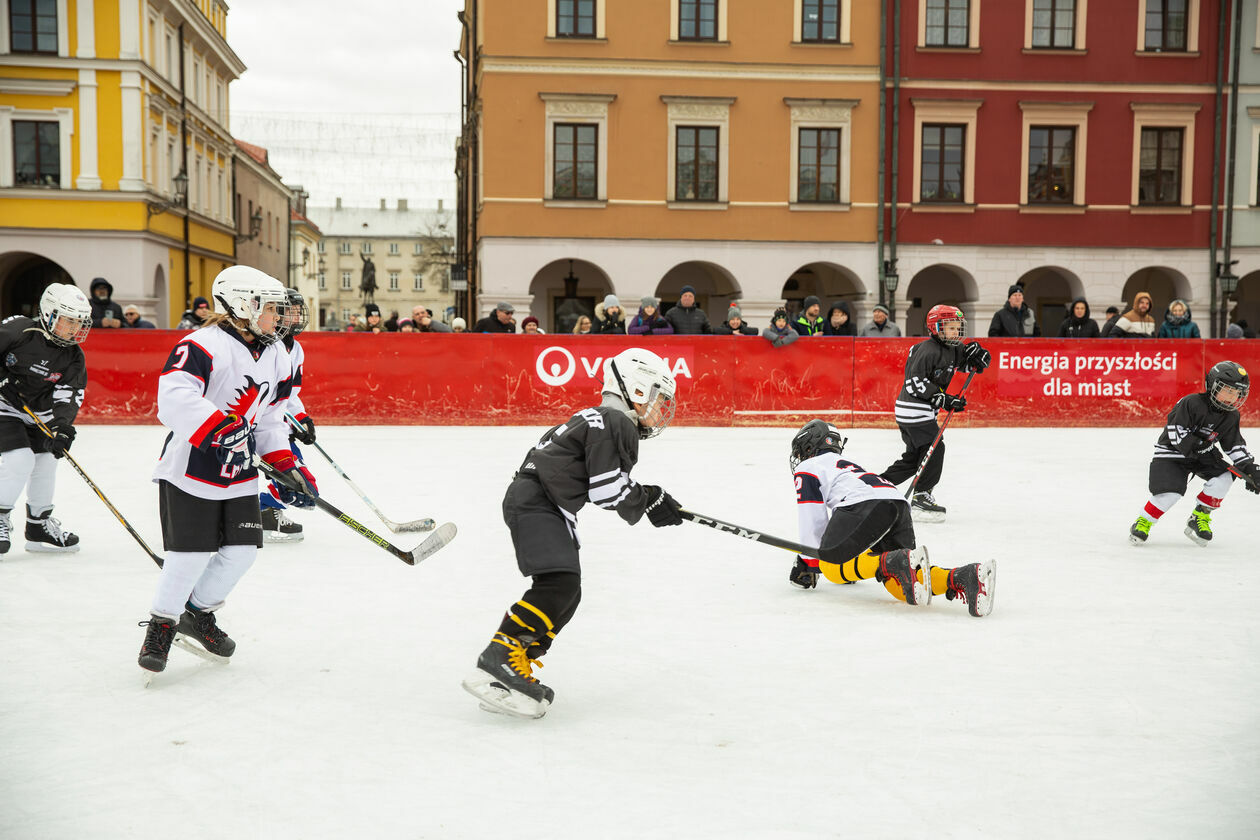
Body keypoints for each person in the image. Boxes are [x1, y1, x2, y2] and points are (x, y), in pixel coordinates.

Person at [460, 348, 684, 719]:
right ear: (638, 389)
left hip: (538, 500)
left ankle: (514, 664)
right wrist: (648, 499)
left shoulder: (593, 417)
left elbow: (594, 481)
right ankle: (498, 658)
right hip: (538, 502)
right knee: (559, 585)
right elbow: (607, 488)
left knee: (568, 590)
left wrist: (647, 498)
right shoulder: (617, 420)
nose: (659, 409)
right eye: (658, 398)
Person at [138, 266, 318, 674]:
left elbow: (271, 418)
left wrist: (286, 464)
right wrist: (220, 428)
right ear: (243, 304)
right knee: (190, 554)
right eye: (271, 308)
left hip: (240, 471)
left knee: (241, 552)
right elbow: (174, 398)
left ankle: (196, 613)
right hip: (191, 466)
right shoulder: (201, 344)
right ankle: (162, 624)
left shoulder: (276, 353)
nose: (279, 317)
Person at [787, 420, 995, 617]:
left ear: (808, 446)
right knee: (902, 584)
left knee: (830, 564)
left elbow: (812, 518)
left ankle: (892, 562)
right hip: (895, 501)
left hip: (863, 504)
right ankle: (964, 577)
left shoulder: (808, 467)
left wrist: (809, 563)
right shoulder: (846, 465)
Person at [0, 283, 91, 555]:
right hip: (4, 405)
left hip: (39, 413)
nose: (75, 329)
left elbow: (69, 394)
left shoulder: (73, 356)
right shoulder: (19, 330)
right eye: (69, 321)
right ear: (50, 314)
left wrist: (62, 427)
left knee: (47, 459)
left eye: (79, 323)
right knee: (20, 459)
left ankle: (38, 524)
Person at [879, 305, 990, 520]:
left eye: (958, 327)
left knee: (915, 459)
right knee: (935, 448)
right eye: (950, 327)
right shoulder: (927, 350)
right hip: (914, 410)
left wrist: (980, 358)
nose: (956, 332)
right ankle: (921, 495)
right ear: (936, 328)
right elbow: (914, 383)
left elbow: (966, 364)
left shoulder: (952, 347)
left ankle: (878, 483)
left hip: (920, 412)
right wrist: (944, 399)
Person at [1129, 361, 1256, 547]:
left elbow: (1233, 445)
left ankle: (1199, 516)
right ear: (1212, 385)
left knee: (1226, 476)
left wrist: (1250, 467)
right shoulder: (1191, 403)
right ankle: (1144, 521)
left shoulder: (1231, 416)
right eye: (1228, 390)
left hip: (1202, 453)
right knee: (1170, 494)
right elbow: (1176, 432)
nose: (1233, 397)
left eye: (1237, 392)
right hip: (1171, 454)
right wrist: (1198, 447)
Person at [259, 288, 318, 544]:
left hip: (278, 424)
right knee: (296, 484)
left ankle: (265, 511)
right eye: (289, 312)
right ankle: (258, 511)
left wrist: (302, 419)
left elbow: (289, 394)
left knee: (307, 488)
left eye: (297, 311)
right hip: (261, 426)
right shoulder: (266, 345)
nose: (295, 317)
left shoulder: (296, 349)